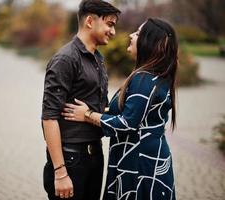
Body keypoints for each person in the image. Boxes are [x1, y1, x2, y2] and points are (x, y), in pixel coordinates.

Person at [62, 18, 178, 200]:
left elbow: (127, 124)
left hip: (139, 164)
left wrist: (87, 115)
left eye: (138, 33)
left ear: (150, 43)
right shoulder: (156, 76)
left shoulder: (144, 79)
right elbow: (132, 115)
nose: (131, 35)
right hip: (145, 158)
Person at [41, 0, 121, 199]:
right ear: (90, 21)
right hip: (71, 158)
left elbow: (101, 107)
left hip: (95, 154)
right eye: (109, 24)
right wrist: (60, 172)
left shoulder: (97, 58)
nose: (113, 32)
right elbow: (49, 117)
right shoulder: (66, 59)